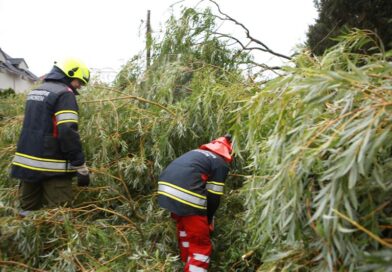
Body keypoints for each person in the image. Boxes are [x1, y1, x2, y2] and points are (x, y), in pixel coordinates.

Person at [11, 58, 91, 214]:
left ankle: (28, 237)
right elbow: (68, 132)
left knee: (27, 212)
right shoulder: (64, 94)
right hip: (53, 166)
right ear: (70, 74)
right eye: (79, 81)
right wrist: (80, 165)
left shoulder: (36, 91)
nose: (79, 86)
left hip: (27, 166)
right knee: (60, 216)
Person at [157, 134, 233, 272]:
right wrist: (208, 219)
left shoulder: (196, 153)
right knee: (201, 245)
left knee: (184, 229)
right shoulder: (220, 163)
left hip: (165, 190)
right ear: (227, 153)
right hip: (187, 195)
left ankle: (185, 262)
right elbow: (214, 196)